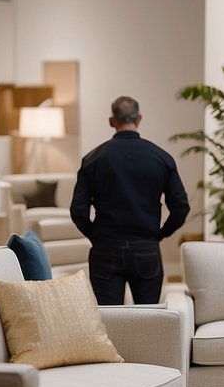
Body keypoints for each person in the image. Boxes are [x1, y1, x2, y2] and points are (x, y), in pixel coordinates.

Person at [70, 96, 190, 305]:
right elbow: (180, 208)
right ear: (139, 119)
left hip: (105, 250)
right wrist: (159, 234)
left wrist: (97, 236)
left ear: (111, 121)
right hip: (146, 248)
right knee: (148, 320)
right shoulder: (161, 158)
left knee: (110, 322)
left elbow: (78, 211)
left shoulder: (93, 159)